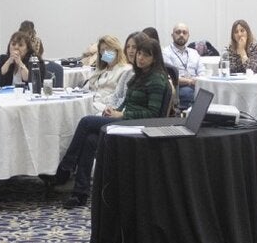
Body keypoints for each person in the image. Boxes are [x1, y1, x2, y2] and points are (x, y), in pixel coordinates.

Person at [49, 36, 170, 207]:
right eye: (139, 54)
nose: (140, 58)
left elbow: (153, 114)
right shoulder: (138, 76)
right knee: (90, 139)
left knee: (85, 122)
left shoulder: (156, 79)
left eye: (146, 55)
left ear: (155, 58)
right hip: (125, 121)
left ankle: (65, 167)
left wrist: (122, 115)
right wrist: (116, 110)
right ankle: (80, 193)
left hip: (138, 126)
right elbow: (126, 101)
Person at [85, 34, 131, 112]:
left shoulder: (126, 70)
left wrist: (98, 100)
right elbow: (90, 87)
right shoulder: (100, 70)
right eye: (102, 50)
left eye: (108, 49)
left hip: (109, 107)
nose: (105, 52)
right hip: (93, 102)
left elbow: (120, 96)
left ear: (116, 49)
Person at [163, 22, 203, 108]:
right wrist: (189, 81)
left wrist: (196, 81)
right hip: (178, 87)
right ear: (172, 35)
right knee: (188, 92)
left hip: (196, 85)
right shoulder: (166, 53)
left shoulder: (194, 53)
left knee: (209, 93)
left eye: (184, 33)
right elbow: (170, 78)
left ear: (188, 36)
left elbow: (202, 73)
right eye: (178, 32)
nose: (181, 35)